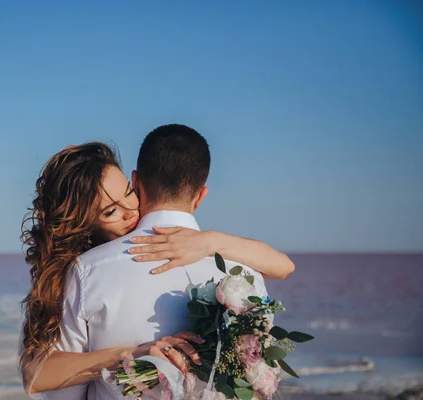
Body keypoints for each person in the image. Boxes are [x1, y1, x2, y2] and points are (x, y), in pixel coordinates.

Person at [19, 135, 293, 397]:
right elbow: (37, 375)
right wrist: (131, 354)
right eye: (110, 211)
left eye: (128, 192)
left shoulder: (90, 271)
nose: (131, 210)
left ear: (135, 182)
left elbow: (284, 266)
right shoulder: (246, 273)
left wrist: (210, 241)